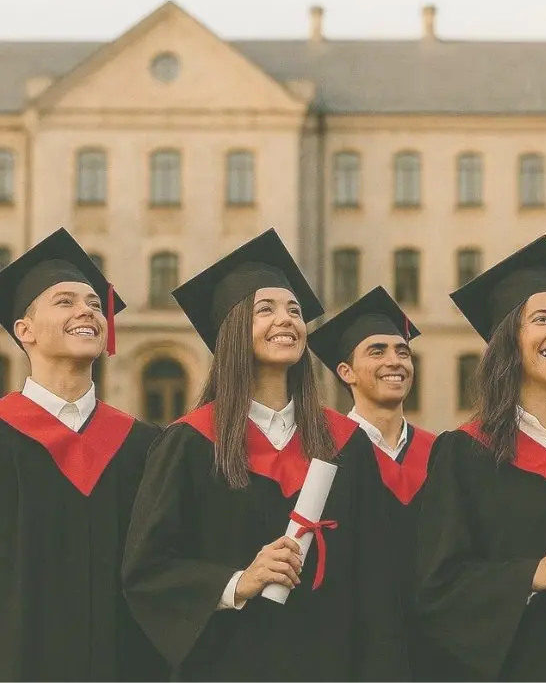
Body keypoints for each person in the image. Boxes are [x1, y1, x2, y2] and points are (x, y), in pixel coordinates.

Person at [122, 228, 408, 682]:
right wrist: (238, 581)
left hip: (329, 665)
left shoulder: (346, 443)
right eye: (266, 309)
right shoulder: (190, 442)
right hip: (225, 666)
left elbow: (376, 582)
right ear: (234, 329)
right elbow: (149, 571)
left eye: (295, 311)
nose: (287, 320)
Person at [416, 234, 546, 681]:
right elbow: (437, 591)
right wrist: (533, 574)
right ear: (509, 341)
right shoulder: (465, 455)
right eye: (542, 319)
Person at [0, 227, 167, 682]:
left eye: (95, 304)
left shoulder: (143, 444)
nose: (87, 312)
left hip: (127, 665)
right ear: (24, 330)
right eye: (66, 301)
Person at [309, 285, 459, 681]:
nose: (395, 360)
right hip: (356, 651)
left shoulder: (442, 454)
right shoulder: (326, 455)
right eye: (377, 351)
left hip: (438, 649)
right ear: (346, 372)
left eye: (403, 351)